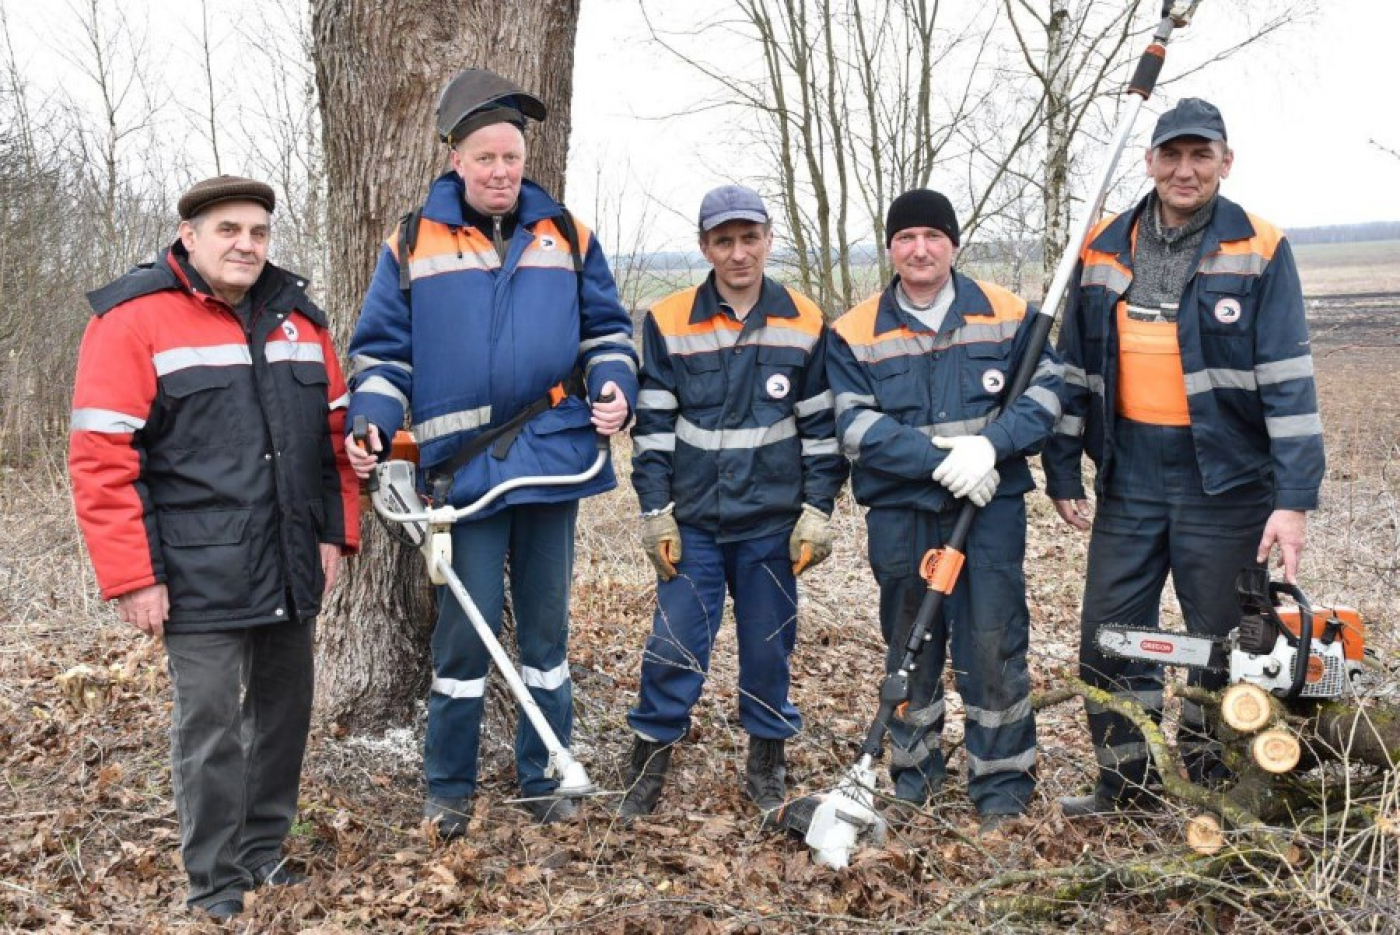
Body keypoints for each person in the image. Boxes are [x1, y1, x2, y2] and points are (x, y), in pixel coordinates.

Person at [344, 69, 638, 832]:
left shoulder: (567, 233)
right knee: (464, 633)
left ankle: (545, 775)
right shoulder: (411, 240)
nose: (501, 170)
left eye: (511, 156)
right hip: (463, 472)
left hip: (552, 459)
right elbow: (381, 354)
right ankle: (448, 785)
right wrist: (372, 417)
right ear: (456, 161)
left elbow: (607, 331)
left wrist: (613, 384)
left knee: (546, 635)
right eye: (485, 158)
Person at [68, 175, 360, 921]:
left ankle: (265, 849)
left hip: (291, 559)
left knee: (285, 713)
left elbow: (332, 443)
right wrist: (133, 577)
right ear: (189, 236)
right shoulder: (133, 321)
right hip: (195, 570)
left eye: (259, 232)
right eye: (228, 229)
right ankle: (214, 881)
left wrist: (335, 532)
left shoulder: (300, 320)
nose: (246, 244)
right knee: (209, 728)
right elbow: (102, 459)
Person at [1043, 98, 1326, 816]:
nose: (1184, 169)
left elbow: (1290, 382)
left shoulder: (1259, 248)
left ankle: (1209, 786)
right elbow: (1074, 365)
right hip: (1130, 472)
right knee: (1110, 633)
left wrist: (1292, 501)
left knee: (1224, 642)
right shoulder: (1104, 246)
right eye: (1171, 155)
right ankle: (1126, 786)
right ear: (1150, 162)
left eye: (1201, 155)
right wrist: (1062, 461)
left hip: (1228, 478)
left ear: (1225, 163)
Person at [826, 188, 1063, 832]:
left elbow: (1047, 394)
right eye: (906, 238)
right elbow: (853, 424)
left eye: (934, 236)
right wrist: (937, 461)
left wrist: (992, 447)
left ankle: (1002, 787)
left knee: (993, 643)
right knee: (909, 647)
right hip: (902, 516)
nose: (921, 249)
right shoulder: (854, 330)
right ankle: (913, 776)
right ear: (891, 248)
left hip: (990, 512)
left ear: (954, 244)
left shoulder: (1010, 314)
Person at [621, 184, 847, 820]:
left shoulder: (804, 320)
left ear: (769, 240)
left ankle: (767, 760)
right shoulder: (667, 321)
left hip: (771, 526)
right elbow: (655, 428)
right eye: (724, 241)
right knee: (674, 644)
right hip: (691, 524)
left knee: (769, 644)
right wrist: (655, 509)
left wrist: (818, 511)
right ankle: (649, 757)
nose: (739, 252)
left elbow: (821, 431)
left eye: (750, 238)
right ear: (705, 248)